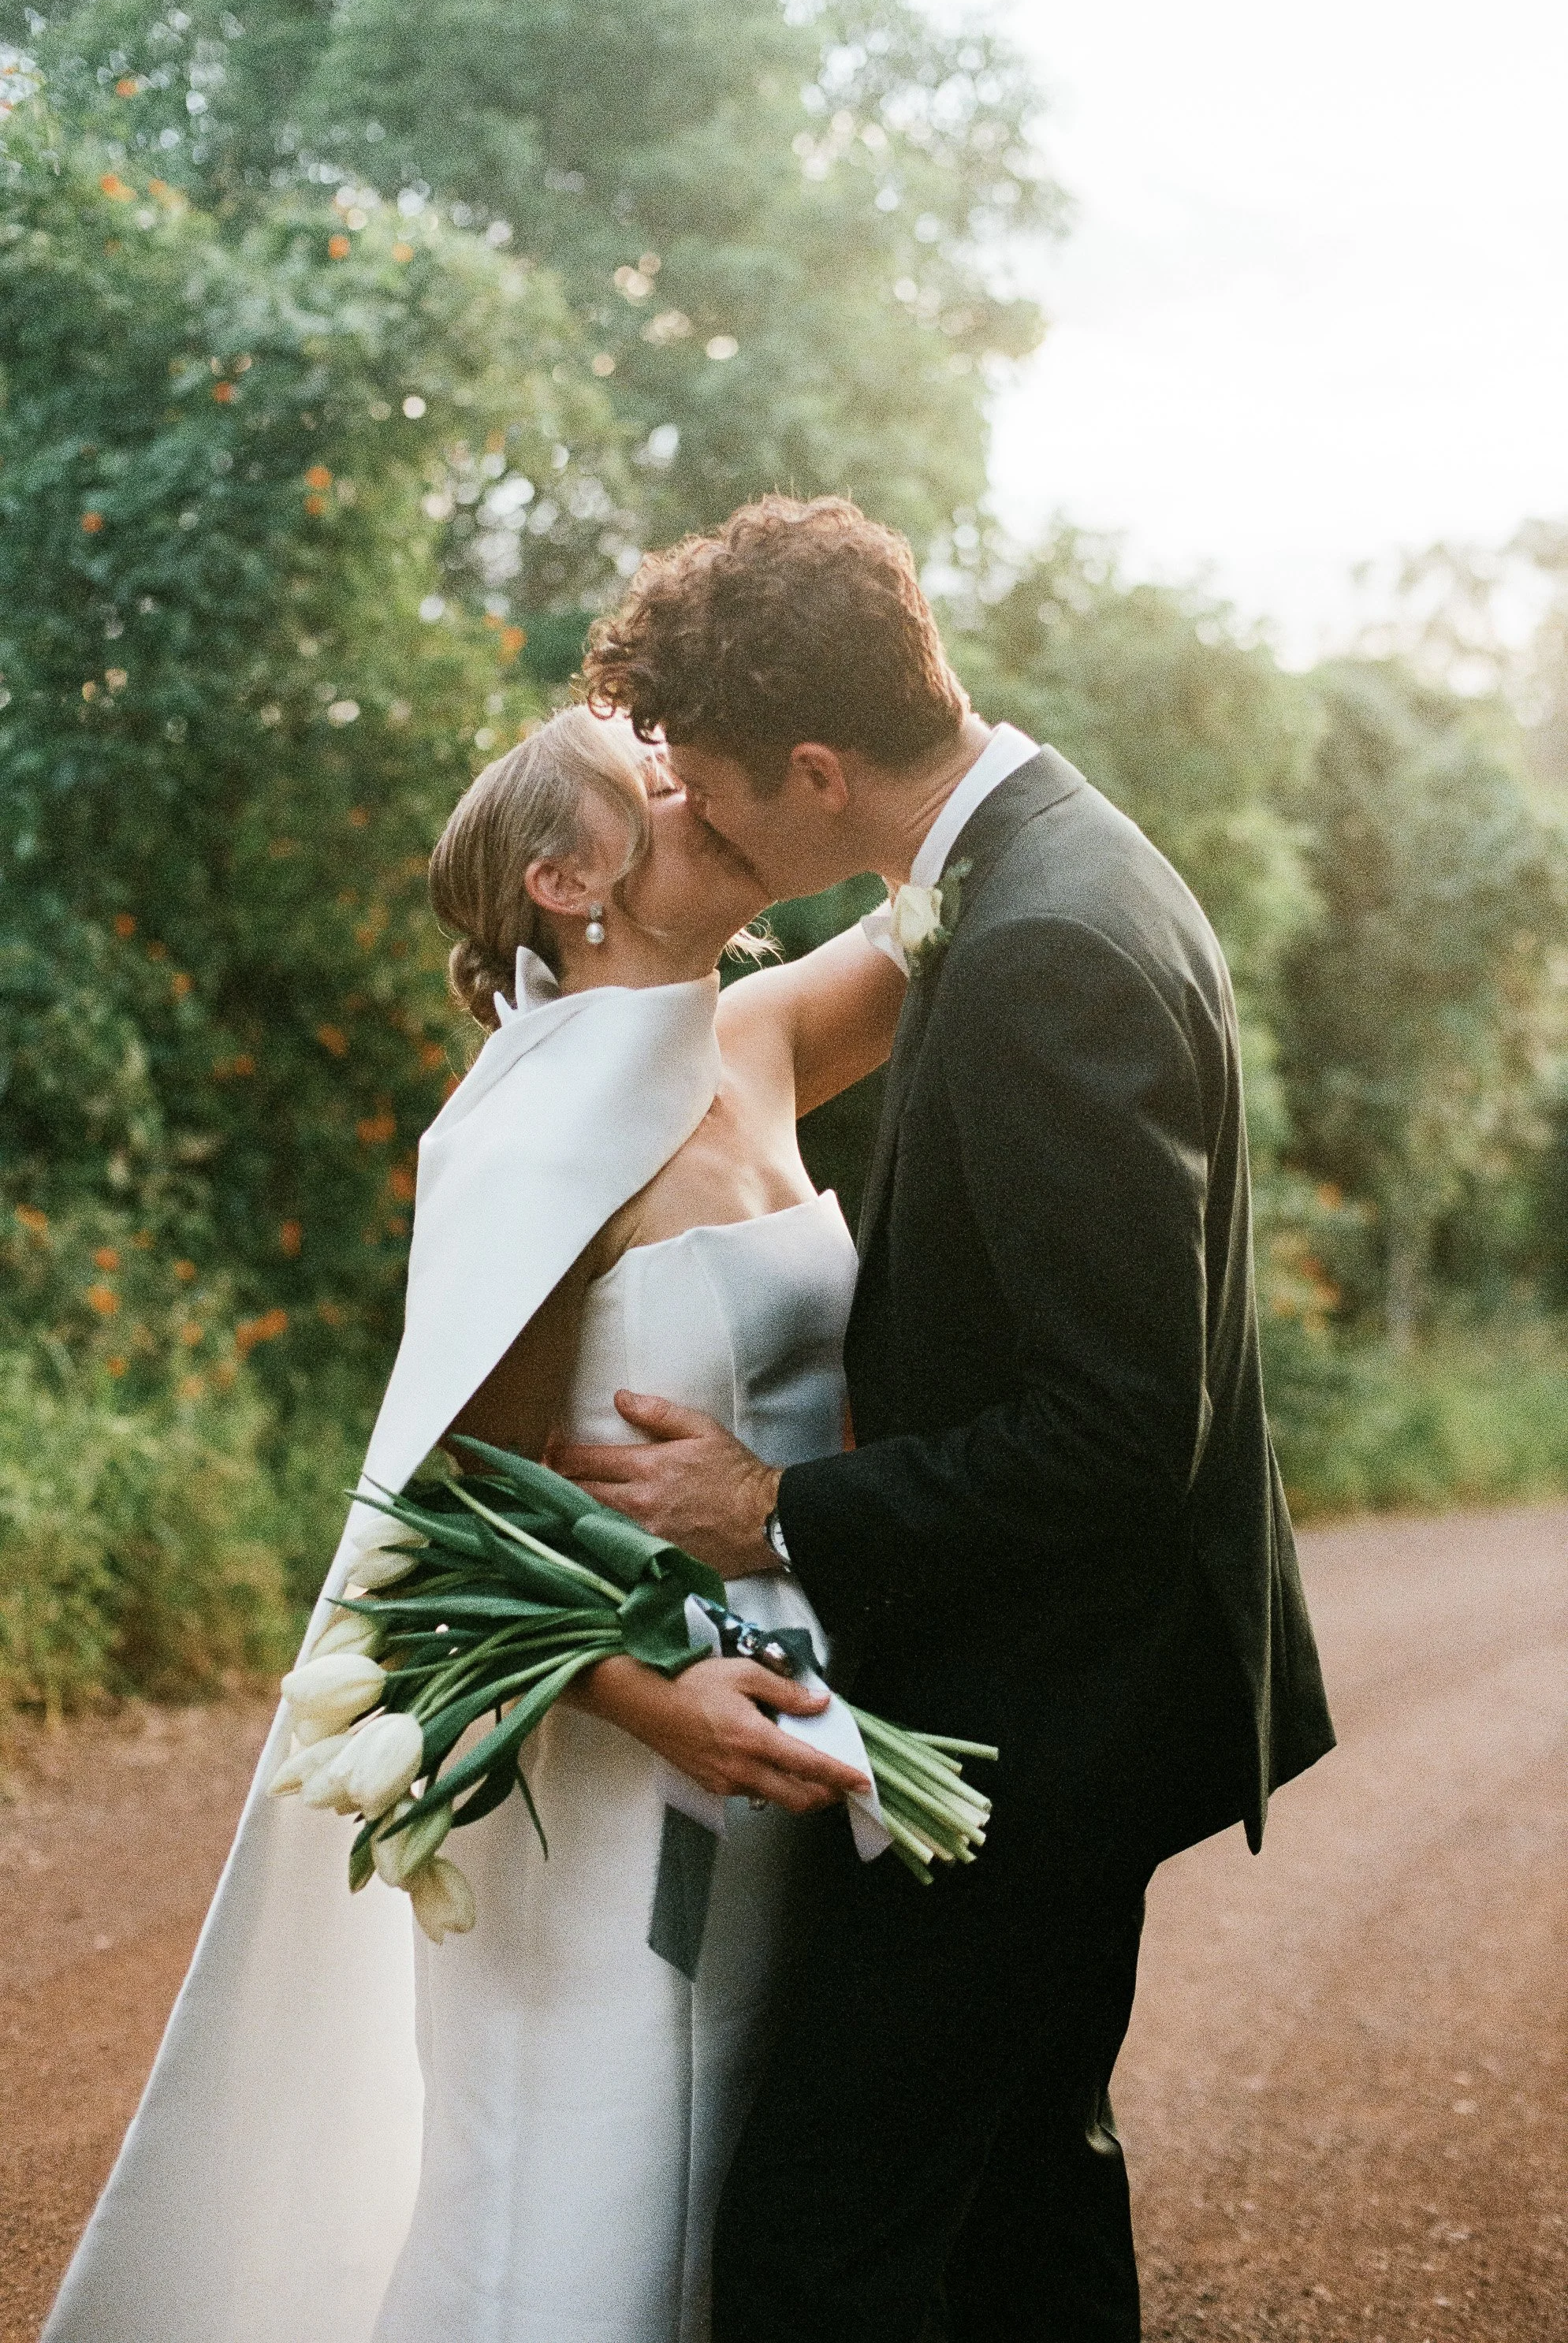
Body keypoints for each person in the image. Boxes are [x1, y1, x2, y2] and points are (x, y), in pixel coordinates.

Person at [556, 494, 1338, 2343]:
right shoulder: (1047, 866)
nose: (708, 824)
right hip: (1069, 1685)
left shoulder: (1045, 945)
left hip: (1039, 1721)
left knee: (826, 2244)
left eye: (721, 788)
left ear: (816, 770)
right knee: (1015, 2205)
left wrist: (772, 1509)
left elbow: (1121, 1432)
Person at [40, 703, 906, 2343]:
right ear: (569, 876)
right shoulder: (525, 1141)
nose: (695, 768)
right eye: (649, 769)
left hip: (782, 1731)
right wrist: (670, 1708)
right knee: (587, 2200)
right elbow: (450, 1537)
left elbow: (944, 874)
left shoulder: (760, 1035)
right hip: (616, 1763)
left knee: (729, 2180)